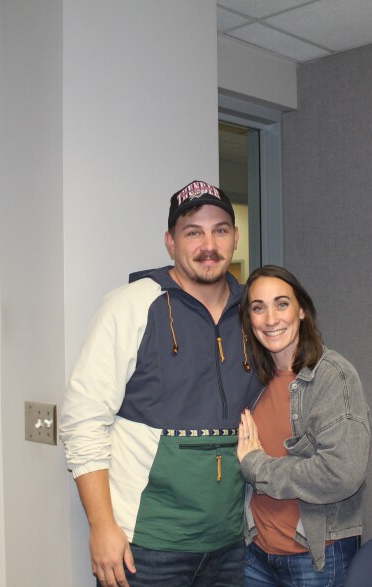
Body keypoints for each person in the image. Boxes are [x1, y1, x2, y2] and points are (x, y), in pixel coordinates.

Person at [59, 180, 263, 587]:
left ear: (235, 238)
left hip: (231, 545)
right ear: (170, 242)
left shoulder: (255, 314)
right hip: (146, 550)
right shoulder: (130, 305)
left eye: (220, 230)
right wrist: (102, 528)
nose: (209, 243)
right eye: (193, 232)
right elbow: (83, 422)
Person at [236, 265, 371, 586]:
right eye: (259, 308)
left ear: (302, 312)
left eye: (282, 304)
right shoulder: (251, 379)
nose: (271, 319)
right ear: (249, 321)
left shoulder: (334, 377)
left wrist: (258, 467)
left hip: (314, 556)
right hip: (255, 551)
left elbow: (342, 475)